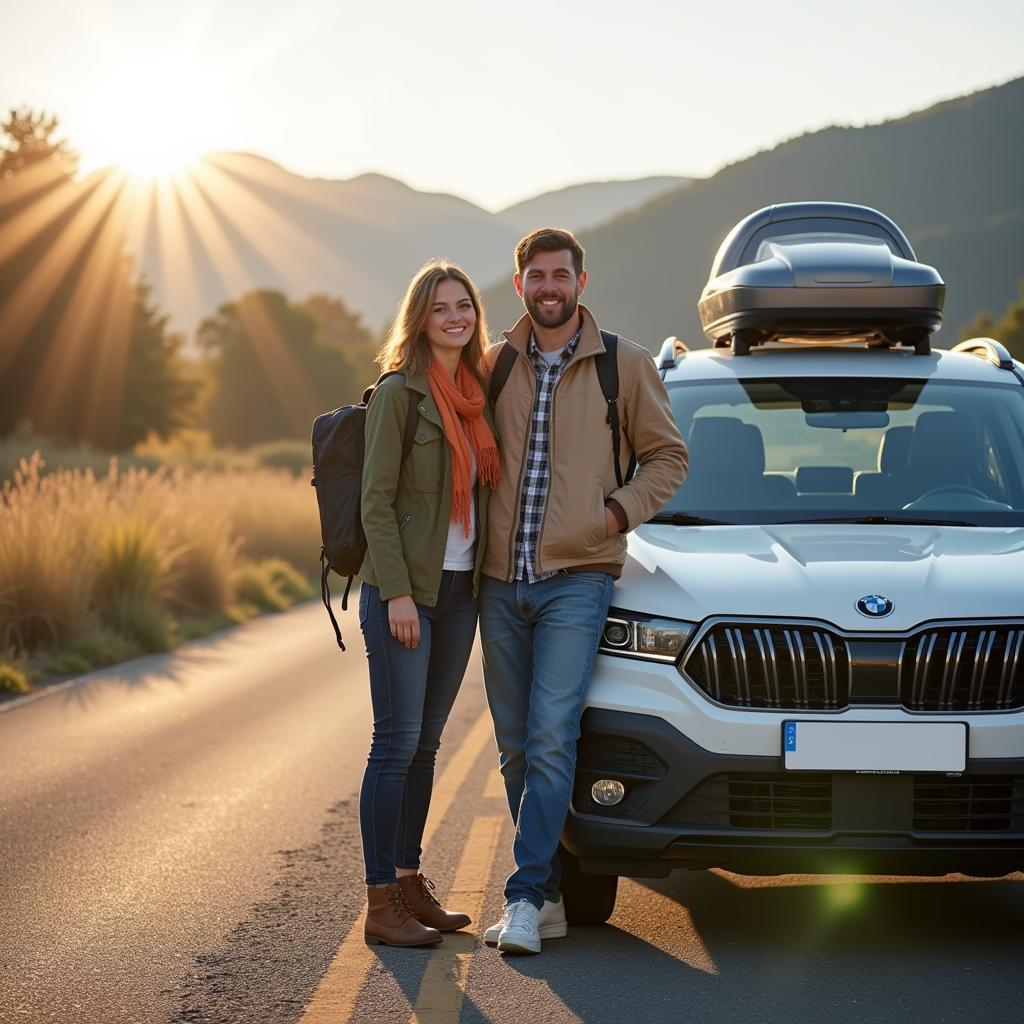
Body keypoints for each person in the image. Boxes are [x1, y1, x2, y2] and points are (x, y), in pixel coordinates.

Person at [480, 228, 687, 954]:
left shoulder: (621, 366)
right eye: (536, 275)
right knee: (512, 747)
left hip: (579, 579)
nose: (548, 286)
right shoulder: (495, 364)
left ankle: (525, 896)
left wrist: (612, 515)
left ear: (580, 282)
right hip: (501, 583)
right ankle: (553, 893)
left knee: (550, 732)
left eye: (560, 275)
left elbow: (668, 457)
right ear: (519, 285)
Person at [358, 260, 500, 947]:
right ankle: (379, 901)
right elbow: (375, 504)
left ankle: (410, 881)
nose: (455, 317)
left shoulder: (477, 393)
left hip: (460, 591)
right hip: (408, 594)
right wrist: (396, 595)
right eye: (441, 307)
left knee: (428, 746)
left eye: (464, 306)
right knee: (396, 743)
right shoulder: (399, 394)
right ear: (420, 317)